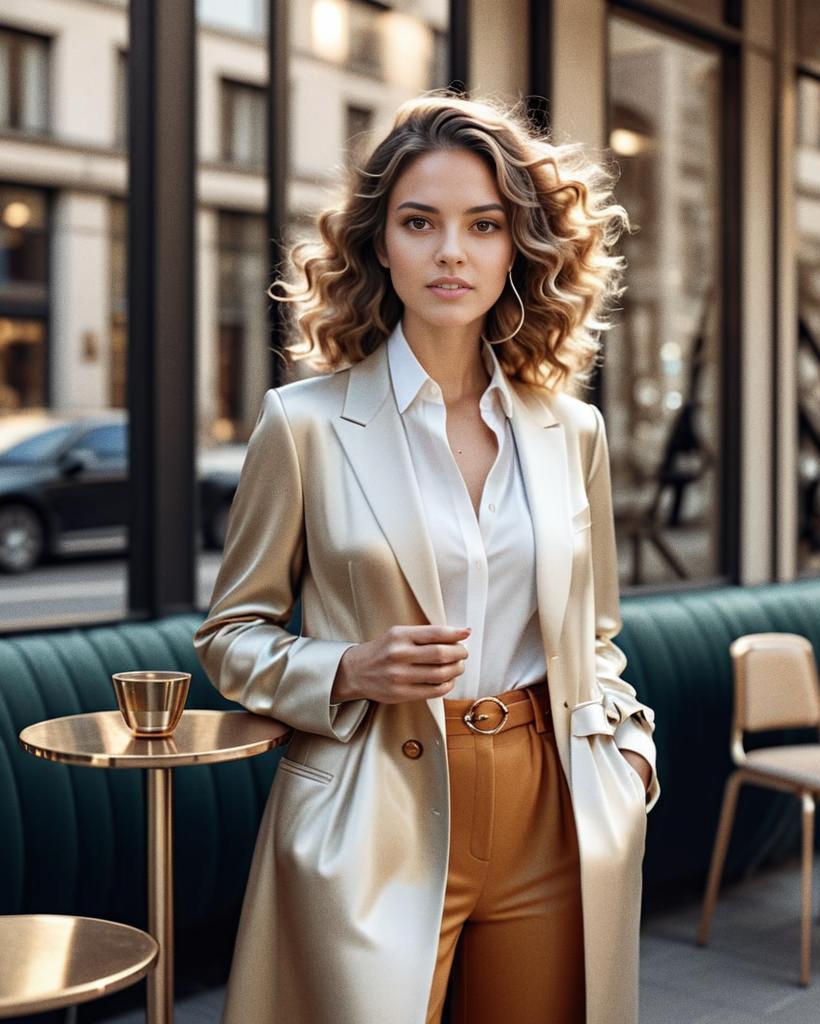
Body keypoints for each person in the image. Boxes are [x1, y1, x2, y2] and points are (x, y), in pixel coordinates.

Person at [193, 91, 660, 1024]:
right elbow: (229, 635)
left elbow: (595, 635)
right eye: (421, 222)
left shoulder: (573, 432)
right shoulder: (306, 425)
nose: (452, 252)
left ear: (517, 248)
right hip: (375, 805)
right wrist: (349, 667)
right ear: (380, 245)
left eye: (483, 225)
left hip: (552, 806)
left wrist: (630, 756)